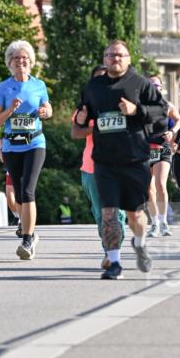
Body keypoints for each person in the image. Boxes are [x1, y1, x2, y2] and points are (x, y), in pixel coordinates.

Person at [74, 40, 167, 280]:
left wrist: (136, 111)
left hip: (135, 159)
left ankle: (139, 242)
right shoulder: (93, 87)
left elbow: (162, 113)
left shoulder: (141, 84)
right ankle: (114, 262)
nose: (115, 59)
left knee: (135, 215)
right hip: (104, 161)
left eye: (120, 55)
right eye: (110, 55)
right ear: (104, 59)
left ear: (128, 58)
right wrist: (82, 120)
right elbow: (78, 127)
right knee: (109, 213)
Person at [0, 40, 52, 260]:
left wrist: (45, 111)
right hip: (11, 146)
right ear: (10, 62)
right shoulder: (4, 87)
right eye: (16, 58)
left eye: (24, 57)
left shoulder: (39, 85)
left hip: (35, 143)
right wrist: (10, 109)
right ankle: (31, 235)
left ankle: (26, 240)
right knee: (19, 195)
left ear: (30, 61)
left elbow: (48, 108)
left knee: (27, 190)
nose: (20, 61)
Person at [72, 64, 127, 254]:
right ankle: (108, 249)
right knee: (100, 213)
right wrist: (97, 129)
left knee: (117, 212)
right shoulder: (86, 105)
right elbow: (76, 132)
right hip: (92, 167)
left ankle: (114, 250)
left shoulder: (123, 102)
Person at [146, 75, 180, 237]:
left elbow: (179, 119)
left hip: (163, 148)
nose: (155, 87)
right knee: (149, 189)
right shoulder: (141, 105)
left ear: (161, 88)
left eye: (157, 85)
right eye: (151, 84)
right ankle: (154, 223)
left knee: (160, 184)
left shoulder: (167, 105)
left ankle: (164, 221)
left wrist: (172, 132)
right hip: (145, 149)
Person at [0, 137, 20, 227]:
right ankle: (17, 216)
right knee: (10, 197)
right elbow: (3, 159)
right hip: (11, 168)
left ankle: (22, 217)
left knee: (21, 195)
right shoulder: (1, 140)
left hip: (23, 165)